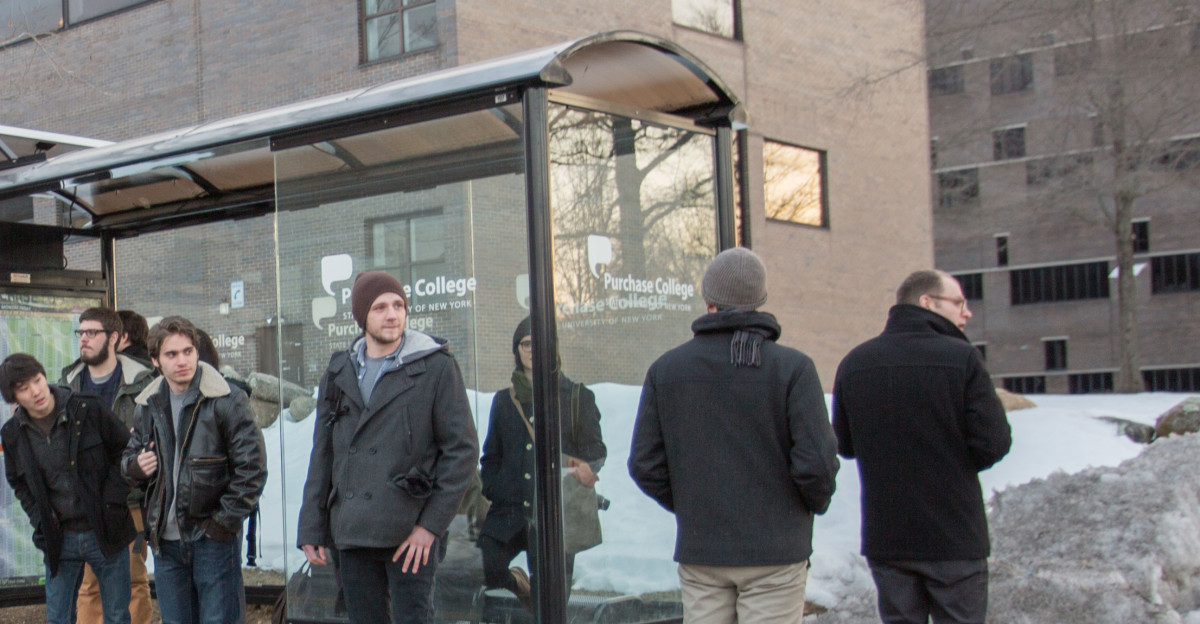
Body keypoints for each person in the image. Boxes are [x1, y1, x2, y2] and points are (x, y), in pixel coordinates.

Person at [629, 247, 840, 624]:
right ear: (760, 300)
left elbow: (645, 464)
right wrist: (796, 511)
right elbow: (817, 464)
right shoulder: (794, 369)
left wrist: (696, 506)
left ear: (708, 300)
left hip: (702, 551)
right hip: (775, 552)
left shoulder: (666, 369)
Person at [297, 270, 479, 624]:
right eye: (380, 307)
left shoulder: (436, 367)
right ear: (362, 315)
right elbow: (323, 455)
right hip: (351, 531)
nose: (393, 314)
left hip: (409, 532)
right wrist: (311, 528)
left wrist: (430, 527)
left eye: (398, 305)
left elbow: (462, 452)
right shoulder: (339, 372)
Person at [832, 270, 1011, 624]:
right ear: (927, 302)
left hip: (888, 536)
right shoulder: (962, 358)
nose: (967, 312)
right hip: (954, 536)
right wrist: (954, 462)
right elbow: (994, 441)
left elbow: (846, 445)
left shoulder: (855, 363)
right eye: (959, 302)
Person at [122, 316, 267, 624]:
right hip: (166, 541)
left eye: (188, 351)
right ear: (155, 360)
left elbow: (251, 469)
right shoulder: (148, 403)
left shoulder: (227, 398)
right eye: (171, 354)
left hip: (211, 538)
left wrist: (222, 525)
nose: (182, 361)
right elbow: (129, 457)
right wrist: (136, 466)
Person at [478, 316, 607, 609]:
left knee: (550, 601)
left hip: (554, 513)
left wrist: (582, 468)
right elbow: (491, 456)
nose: (533, 349)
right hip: (508, 512)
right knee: (485, 567)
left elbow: (596, 451)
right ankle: (517, 584)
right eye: (526, 343)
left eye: (540, 343)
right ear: (517, 350)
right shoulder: (503, 401)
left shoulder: (577, 397)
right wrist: (494, 488)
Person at [1, 353, 136, 624]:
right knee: (58, 617)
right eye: (24, 389)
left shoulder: (87, 408)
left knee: (118, 615)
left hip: (105, 529)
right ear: (14, 398)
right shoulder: (13, 433)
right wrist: (41, 519)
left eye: (37, 380)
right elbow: (18, 481)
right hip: (59, 538)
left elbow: (124, 451)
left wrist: (112, 501)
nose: (36, 391)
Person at [60, 308, 155, 624]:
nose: (83, 339)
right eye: (80, 332)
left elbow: (153, 438)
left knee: (132, 579)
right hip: (85, 504)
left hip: (129, 498)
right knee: (89, 586)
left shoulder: (143, 382)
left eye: (91, 332)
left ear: (114, 337)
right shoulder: (69, 382)